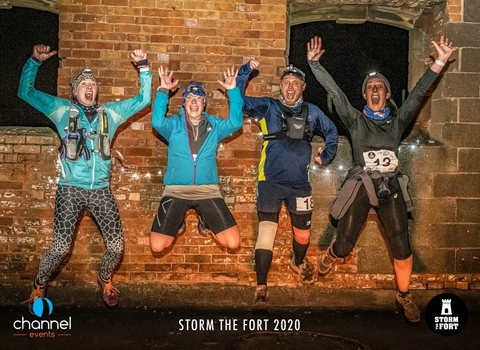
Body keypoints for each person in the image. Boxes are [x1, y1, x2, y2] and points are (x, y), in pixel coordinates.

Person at [307, 35, 457, 323]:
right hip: (362, 185)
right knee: (345, 245)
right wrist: (315, 65)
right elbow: (336, 93)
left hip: (391, 186)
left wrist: (440, 61)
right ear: (365, 95)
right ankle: (332, 254)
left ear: (387, 94)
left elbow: (418, 93)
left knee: (402, 245)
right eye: (370, 87)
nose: (375, 90)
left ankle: (403, 295)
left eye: (380, 87)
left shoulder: (398, 122)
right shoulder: (355, 120)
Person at [18, 44, 152, 311]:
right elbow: (25, 92)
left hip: (101, 190)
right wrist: (34, 61)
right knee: (60, 247)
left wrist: (144, 67)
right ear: (75, 91)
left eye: (92, 84)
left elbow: (144, 99)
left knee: (116, 246)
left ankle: (104, 278)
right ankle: (39, 285)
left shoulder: (110, 114)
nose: (89, 87)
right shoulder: (61, 110)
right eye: (84, 84)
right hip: (70, 189)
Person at [236, 59, 338, 311]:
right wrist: (245, 71)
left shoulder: (313, 111)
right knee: (266, 234)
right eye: (286, 82)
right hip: (269, 181)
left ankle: (298, 261)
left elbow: (332, 131)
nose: (290, 87)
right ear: (280, 86)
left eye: (295, 83)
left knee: (302, 234)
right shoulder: (267, 106)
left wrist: (326, 156)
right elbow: (237, 100)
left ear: (303, 87)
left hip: (300, 185)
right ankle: (261, 289)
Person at [150, 66, 243, 253]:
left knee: (233, 243)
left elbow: (235, 123)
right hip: (176, 191)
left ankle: (204, 217)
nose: (194, 102)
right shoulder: (174, 124)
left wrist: (233, 91)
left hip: (207, 190)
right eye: (190, 99)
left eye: (199, 98)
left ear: (204, 103)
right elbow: (157, 122)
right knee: (158, 246)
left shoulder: (214, 125)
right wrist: (163, 91)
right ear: (184, 103)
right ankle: (178, 222)